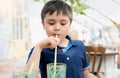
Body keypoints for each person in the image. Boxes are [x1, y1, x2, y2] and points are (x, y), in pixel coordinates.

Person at [27, 0, 97, 78]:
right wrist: (39, 47)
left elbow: (86, 74)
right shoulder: (39, 50)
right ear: (43, 24)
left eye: (63, 23)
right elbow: (30, 75)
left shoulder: (79, 46)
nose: (57, 28)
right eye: (51, 23)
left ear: (69, 24)